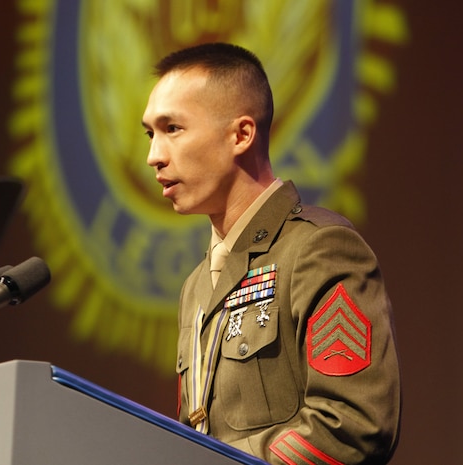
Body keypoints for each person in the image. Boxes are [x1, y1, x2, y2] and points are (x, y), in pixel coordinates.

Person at [142, 42, 401, 465]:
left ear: (241, 134)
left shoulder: (319, 248)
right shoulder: (195, 285)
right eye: (150, 133)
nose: (153, 156)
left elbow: (353, 424)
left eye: (173, 128)